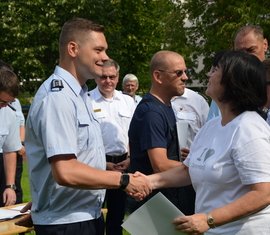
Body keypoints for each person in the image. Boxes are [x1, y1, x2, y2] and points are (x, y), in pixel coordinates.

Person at [25, 17, 150, 235]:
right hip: (66, 223)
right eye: (99, 50)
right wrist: (122, 180)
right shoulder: (58, 97)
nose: (105, 57)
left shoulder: (78, 95)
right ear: (73, 49)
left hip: (82, 215)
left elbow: (81, 157)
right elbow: (65, 170)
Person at [147, 50, 270, 234]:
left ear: (233, 80)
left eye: (216, 69)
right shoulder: (212, 126)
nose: (209, 74)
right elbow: (187, 171)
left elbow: (264, 192)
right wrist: (148, 182)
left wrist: (209, 219)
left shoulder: (249, 128)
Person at [128, 50, 196, 215]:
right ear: (158, 76)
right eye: (178, 73)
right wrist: (198, 167)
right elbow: (160, 165)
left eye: (185, 72)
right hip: (155, 207)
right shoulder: (152, 112)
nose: (185, 77)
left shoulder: (164, 106)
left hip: (167, 198)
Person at [89, 59, 135, 235]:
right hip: (97, 165)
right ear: (96, 77)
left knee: (117, 217)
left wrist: (130, 159)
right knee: (93, 214)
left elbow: (133, 134)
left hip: (123, 165)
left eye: (112, 77)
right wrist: (102, 163)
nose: (108, 81)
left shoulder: (127, 101)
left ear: (118, 77)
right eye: (103, 77)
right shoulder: (87, 100)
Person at [207, 24, 268, 120]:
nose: (245, 57)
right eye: (239, 53)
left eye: (251, 50)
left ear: (265, 45)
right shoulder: (223, 89)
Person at [0, 67, 21, 207]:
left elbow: (10, 150)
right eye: (2, 101)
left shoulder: (9, 114)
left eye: (9, 102)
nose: (4, 106)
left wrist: (10, 186)